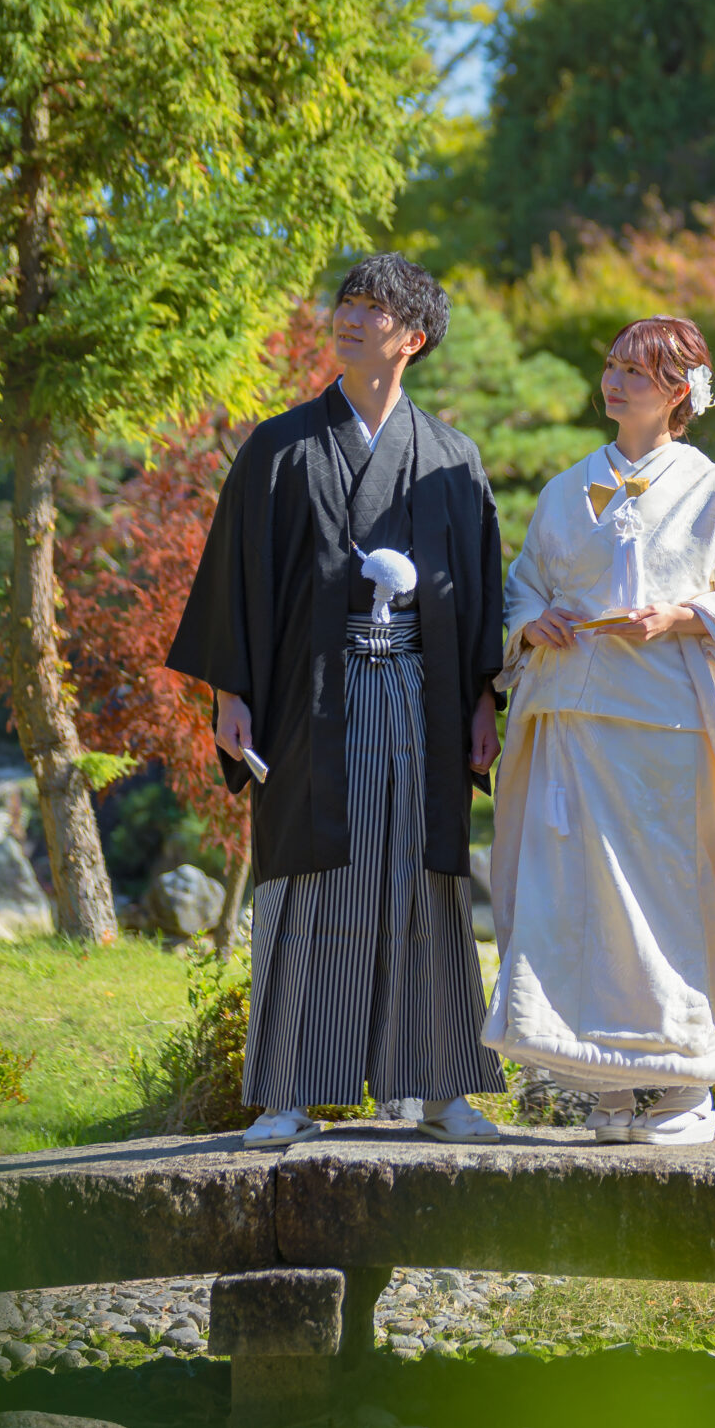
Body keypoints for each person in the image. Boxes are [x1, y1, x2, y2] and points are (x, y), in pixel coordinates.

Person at [167, 254, 507, 1149]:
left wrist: (483, 699)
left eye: (374, 310)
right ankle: (289, 1086)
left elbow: (474, 592)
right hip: (310, 702)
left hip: (424, 700)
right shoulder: (279, 447)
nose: (350, 319)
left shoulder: (451, 459)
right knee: (310, 878)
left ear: (413, 337)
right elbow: (236, 582)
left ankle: (441, 1085)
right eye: (346, 304)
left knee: (426, 880)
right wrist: (229, 694)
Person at [483, 315, 715, 1145]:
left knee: (666, 906)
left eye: (638, 372)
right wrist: (531, 622)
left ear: (679, 393)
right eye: (613, 365)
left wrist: (686, 613)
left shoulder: (713, 489)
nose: (615, 381)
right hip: (575, 732)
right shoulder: (565, 487)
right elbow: (523, 582)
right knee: (570, 905)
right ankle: (606, 1094)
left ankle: (685, 1090)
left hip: (666, 739)